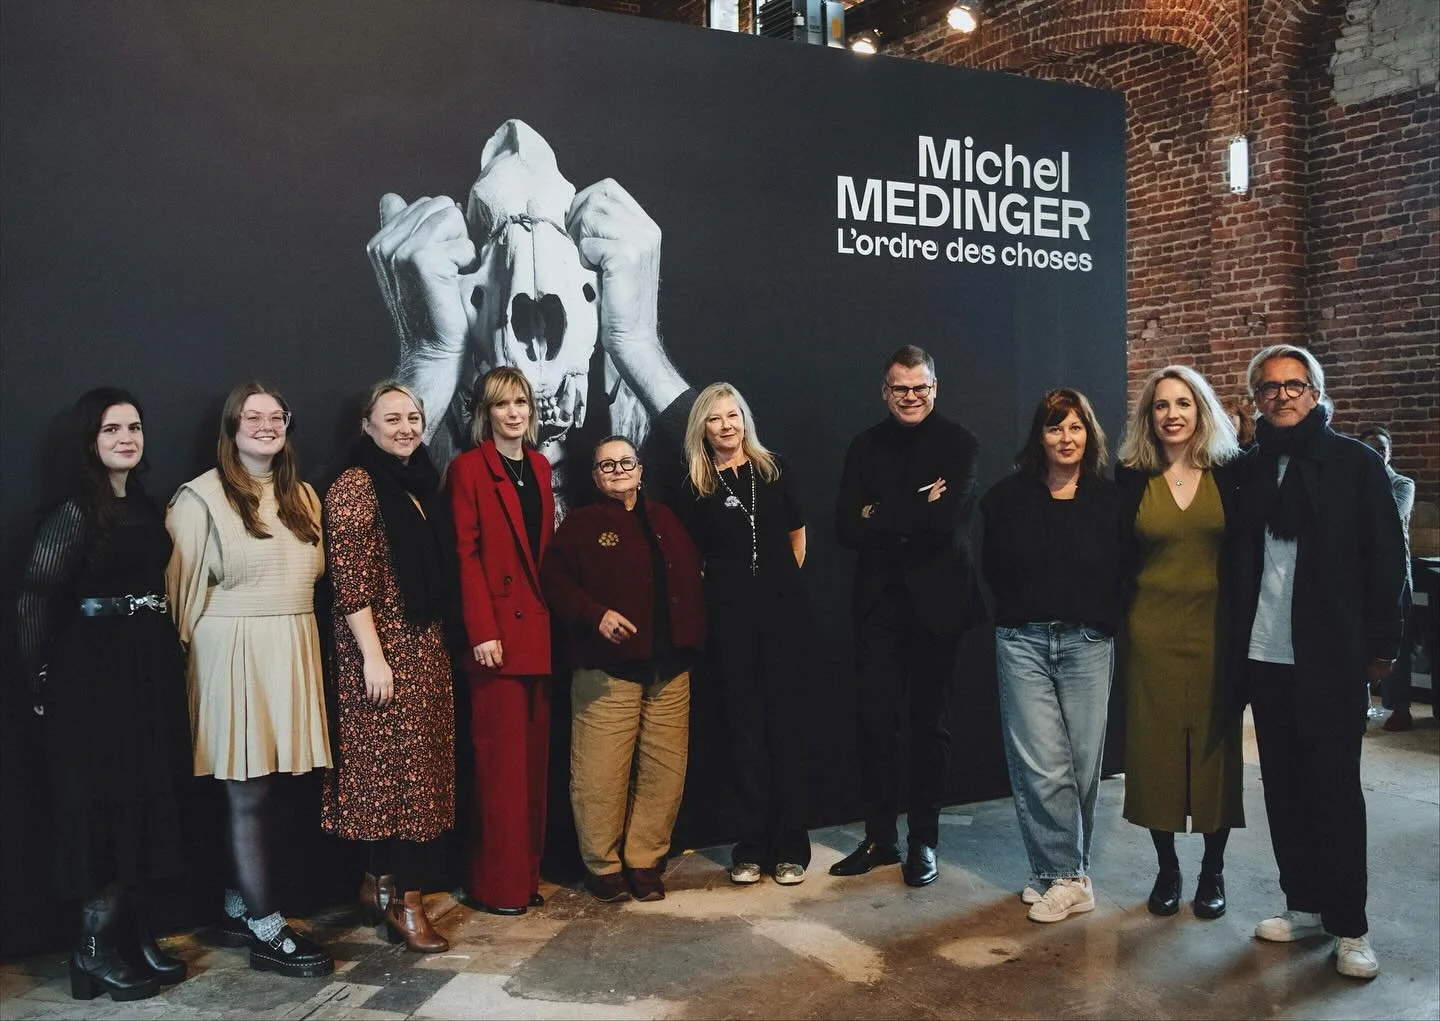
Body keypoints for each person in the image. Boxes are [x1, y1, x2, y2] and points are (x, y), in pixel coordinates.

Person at [366, 118, 694, 513]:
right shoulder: (456, 482)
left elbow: (744, 485)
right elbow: (366, 528)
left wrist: (639, 347)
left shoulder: (652, 488)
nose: (537, 350)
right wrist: (431, 360)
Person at [1233, 345, 1406, 980]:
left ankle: (1351, 927)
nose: (1282, 396)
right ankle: (1302, 903)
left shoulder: (1355, 465)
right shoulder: (1249, 469)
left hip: (1330, 656)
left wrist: (1381, 648)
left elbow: (1388, 560)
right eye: (1269, 388)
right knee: (1282, 788)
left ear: (1316, 393)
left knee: (1335, 792)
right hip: (1265, 655)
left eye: (1294, 386)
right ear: (1255, 400)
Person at [16, 388, 192, 1002]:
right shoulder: (73, 512)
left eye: (135, 427)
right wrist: (36, 679)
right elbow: (36, 596)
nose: (127, 437)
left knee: (146, 797)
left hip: (146, 671)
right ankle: (91, 950)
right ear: (89, 439)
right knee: (103, 805)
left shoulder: (143, 506)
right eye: (112, 428)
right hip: (91, 679)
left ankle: (136, 935)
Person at [165, 381, 333, 978]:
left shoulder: (304, 496)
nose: (266, 425)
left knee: (273, 791)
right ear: (231, 428)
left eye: (276, 415)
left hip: (291, 646)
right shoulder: (200, 499)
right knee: (246, 792)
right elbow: (180, 597)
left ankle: (239, 903)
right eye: (252, 416)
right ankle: (267, 928)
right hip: (231, 652)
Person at [832, 345, 981, 887]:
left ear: (934, 389)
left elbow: (942, 524)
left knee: (929, 728)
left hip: (939, 606)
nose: (911, 397)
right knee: (875, 725)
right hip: (879, 608)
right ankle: (880, 839)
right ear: (885, 391)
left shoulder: (959, 443)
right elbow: (846, 526)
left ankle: (924, 841)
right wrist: (913, 504)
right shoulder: (864, 445)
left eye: (920, 387)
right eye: (901, 388)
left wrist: (881, 510)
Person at [320, 382, 456, 952]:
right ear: (367, 426)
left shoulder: (420, 483)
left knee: (414, 776)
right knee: (399, 783)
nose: (405, 427)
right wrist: (374, 658)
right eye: (392, 418)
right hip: (380, 652)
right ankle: (409, 903)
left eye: (413, 417)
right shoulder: (355, 486)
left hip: (423, 647)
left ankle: (376, 884)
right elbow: (349, 582)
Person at [980, 388, 1124, 923]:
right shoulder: (1005, 499)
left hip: (1089, 643)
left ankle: (1051, 872)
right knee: (1044, 764)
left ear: (1090, 434)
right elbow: (992, 568)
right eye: (1055, 428)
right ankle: (1067, 878)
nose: (1067, 438)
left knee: (1082, 767)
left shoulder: (1112, 501)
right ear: (1038, 438)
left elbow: (1121, 572)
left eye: (1076, 428)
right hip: (1024, 643)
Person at [541, 436, 705, 903]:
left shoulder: (665, 517)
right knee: (599, 772)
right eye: (606, 465)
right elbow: (554, 581)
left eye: (625, 462)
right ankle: (604, 865)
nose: (617, 470)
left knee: (664, 769)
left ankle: (645, 860)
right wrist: (596, 615)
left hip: (669, 665)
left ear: (640, 468)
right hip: (606, 668)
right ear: (594, 476)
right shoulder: (580, 525)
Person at [1115, 366, 1243, 920]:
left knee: (1217, 752)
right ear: (1149, 417)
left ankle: (1212, 873)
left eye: (1183, 403)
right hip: (1151, 633)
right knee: (1155, 754)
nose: (1172, 414)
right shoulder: (1129, 478)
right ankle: (1168, 871)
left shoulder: (1234, 474)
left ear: (1202, 411)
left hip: (1219, 631)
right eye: (1161, 405)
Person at [676, 383, 811, 886]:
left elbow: (798, 535)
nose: (727, 425)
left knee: (786, 729)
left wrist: (779, 585)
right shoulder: (694, 485)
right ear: (702, 429)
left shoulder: (773, 470)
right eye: (715, 419)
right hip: (727, 621)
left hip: (783, 617)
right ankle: (751, 844)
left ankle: (791, 844)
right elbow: (689, 558)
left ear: (745, 420)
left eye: (733, 415)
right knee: (741, 730)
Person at [447, 366, 555, 915]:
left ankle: (525, 877)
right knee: (500, 771)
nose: (514, 413)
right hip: (495, 642)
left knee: (532, 769)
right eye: (502, 404)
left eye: (521, 402)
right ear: (483, 414)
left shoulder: (538, 467)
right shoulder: (467, 469)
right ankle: (497, 886)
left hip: (537, 635)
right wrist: (482, 631)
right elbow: (463, 557)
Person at [1357, 425, 1416, 732]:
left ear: (1390, 452)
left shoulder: (1402, 483)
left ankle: (1399, 707)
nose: (1377, 453)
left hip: (1397, 575)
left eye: (1382, 448)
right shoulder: (1356, 482)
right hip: (1363, 575)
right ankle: (1365, 704)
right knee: (1364, 639)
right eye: (1371, 448)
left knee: (1397, 644)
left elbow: (1388, 516)